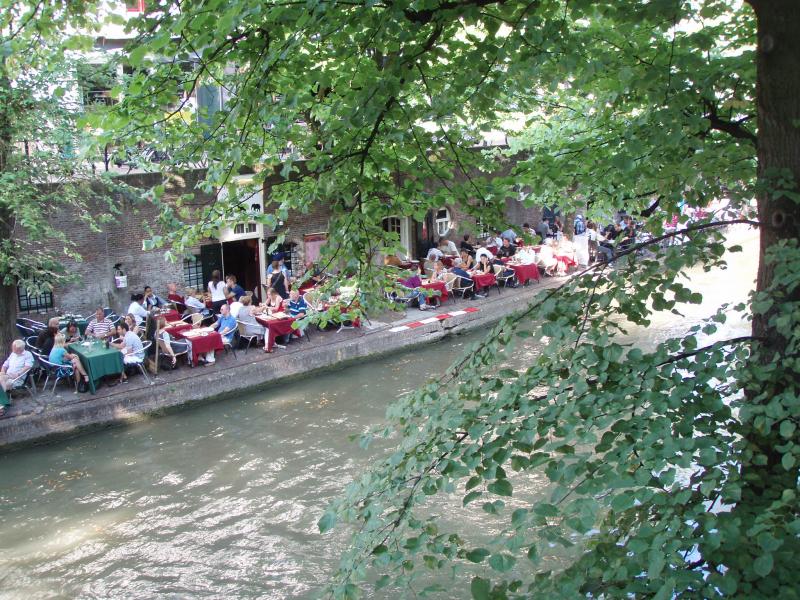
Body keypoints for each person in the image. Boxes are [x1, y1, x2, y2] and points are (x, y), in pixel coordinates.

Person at [0, 340, 34, 415]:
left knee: (1, 382)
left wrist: (18, 373)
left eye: (14, 348)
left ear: (20, 349)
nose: (12, 349)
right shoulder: (13, 354)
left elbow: (28, 367)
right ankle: (2, 405)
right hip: (7, 375)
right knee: (1, 379)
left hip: (17, 378)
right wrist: (2, 371)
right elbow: (5, 364)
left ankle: (2, 406)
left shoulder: (28, 355)